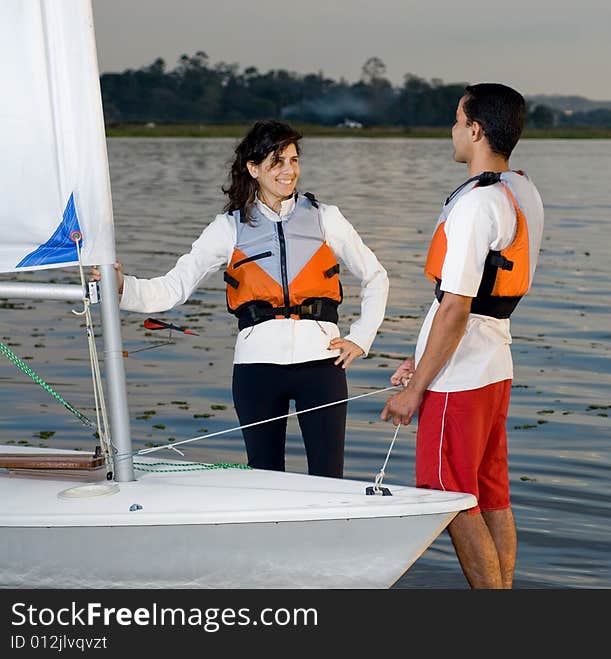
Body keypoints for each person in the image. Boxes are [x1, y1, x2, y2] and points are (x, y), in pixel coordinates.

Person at [94, 120, 388, 478]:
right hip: (256, 369)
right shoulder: (228, 227)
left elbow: (376, 276)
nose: (289, 171)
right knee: (263, 477)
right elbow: (174, 288)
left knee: (329, 477)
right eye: (277, 162)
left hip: (322, 366)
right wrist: (122, 287)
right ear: (253, 168)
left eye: (294, 160)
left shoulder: (326, 218)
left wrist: (361, 337)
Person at [380, 84, 544, 588]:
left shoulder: (476, 204)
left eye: (456, 120)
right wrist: (420, 359)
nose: (452, 130)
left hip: (461, 375)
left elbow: (455, 307)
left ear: (475, 130)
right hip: (494, 365)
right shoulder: (522, 190)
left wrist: (416, 388)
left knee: (445, 492)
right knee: (489, 493)